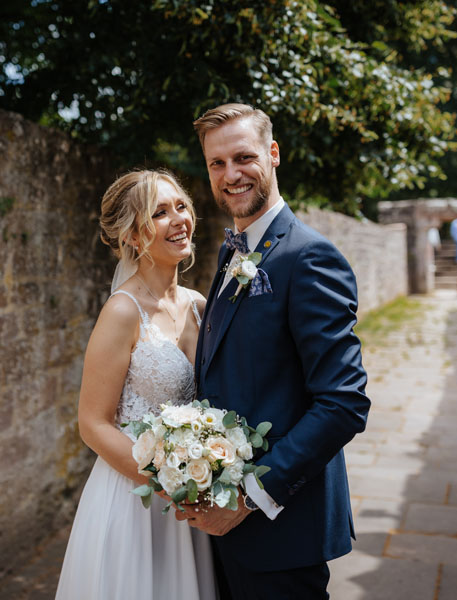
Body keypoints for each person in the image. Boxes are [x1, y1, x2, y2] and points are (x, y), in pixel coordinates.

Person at [181, 103, 370, 598]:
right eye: (216, 164)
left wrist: (246, 497)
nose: (231, 175)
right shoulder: (231, 251)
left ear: (274, 153)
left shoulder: (310, 256)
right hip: (223, 530)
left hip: (281, 527)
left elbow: (343, 403)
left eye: (243, 157)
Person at [55, 170, 217, 600]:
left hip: (194, 498)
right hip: (135, 499)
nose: (178, 219)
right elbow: (92, 424)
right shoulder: (123, 312)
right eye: (159, 213)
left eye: (181, 206)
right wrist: (165, 479)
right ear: (131, 234)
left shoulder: (201, 306)